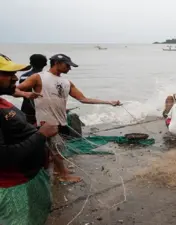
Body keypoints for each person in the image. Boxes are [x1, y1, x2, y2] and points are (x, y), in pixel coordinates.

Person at [17, 53, 120, 183]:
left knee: (54, 148)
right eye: (67, 65)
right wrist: (26, 93)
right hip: (45, 121)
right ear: (56, 63)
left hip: (59, 120)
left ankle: (56, 170)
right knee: (57, 147)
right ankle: (63, 175)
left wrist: (109, 102)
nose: (69, 69)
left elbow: (83, 99)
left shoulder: (67, 82)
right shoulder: (38, 77)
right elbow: (15, 90)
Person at [0, 53, 59, 225]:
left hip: (28, 178)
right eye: (7, 74)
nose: (15, 78)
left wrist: (34, 130)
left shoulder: (3, 101)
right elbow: (3, 157)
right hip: (12, 187)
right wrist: (41, 134)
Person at [19, 54, 47, 126]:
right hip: (43, 108)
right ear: (45, 64)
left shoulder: (24, 76)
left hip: (26, 107)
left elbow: (20, 91)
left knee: (27, 128)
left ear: (31, 63)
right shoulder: (48, 77)